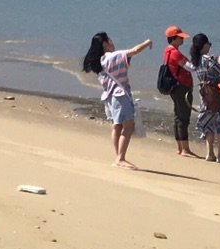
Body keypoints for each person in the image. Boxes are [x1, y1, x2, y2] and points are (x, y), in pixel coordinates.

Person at [83, 31, 152, 169]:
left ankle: (118, 156)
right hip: (120, 96)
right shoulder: (113, 56)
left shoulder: (99, 61)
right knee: (128, 126)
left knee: (116, 127)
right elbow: (134, 51)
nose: (112, 43)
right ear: (105, 43)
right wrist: (146, 43)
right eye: (110, 40)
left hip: (109, 97)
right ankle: (120, 158)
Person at [188, 33, 220, 162]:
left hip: (204, 96)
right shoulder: (208, 59)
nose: (210, 46)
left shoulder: (196, 60)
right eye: (209, 44)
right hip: (216, 94)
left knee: (208, 124)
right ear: (204, 45)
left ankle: (210, 154)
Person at [162, 26, 197, 158]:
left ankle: (180, 147)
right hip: (182, 87)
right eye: (180, 37)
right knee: (183, 118)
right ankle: (185, 149)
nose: (182, 39)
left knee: (178, 117)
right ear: (174, 38)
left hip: (176, 87)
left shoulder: (167, 51)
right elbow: (191, 68)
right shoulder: (176, 53)